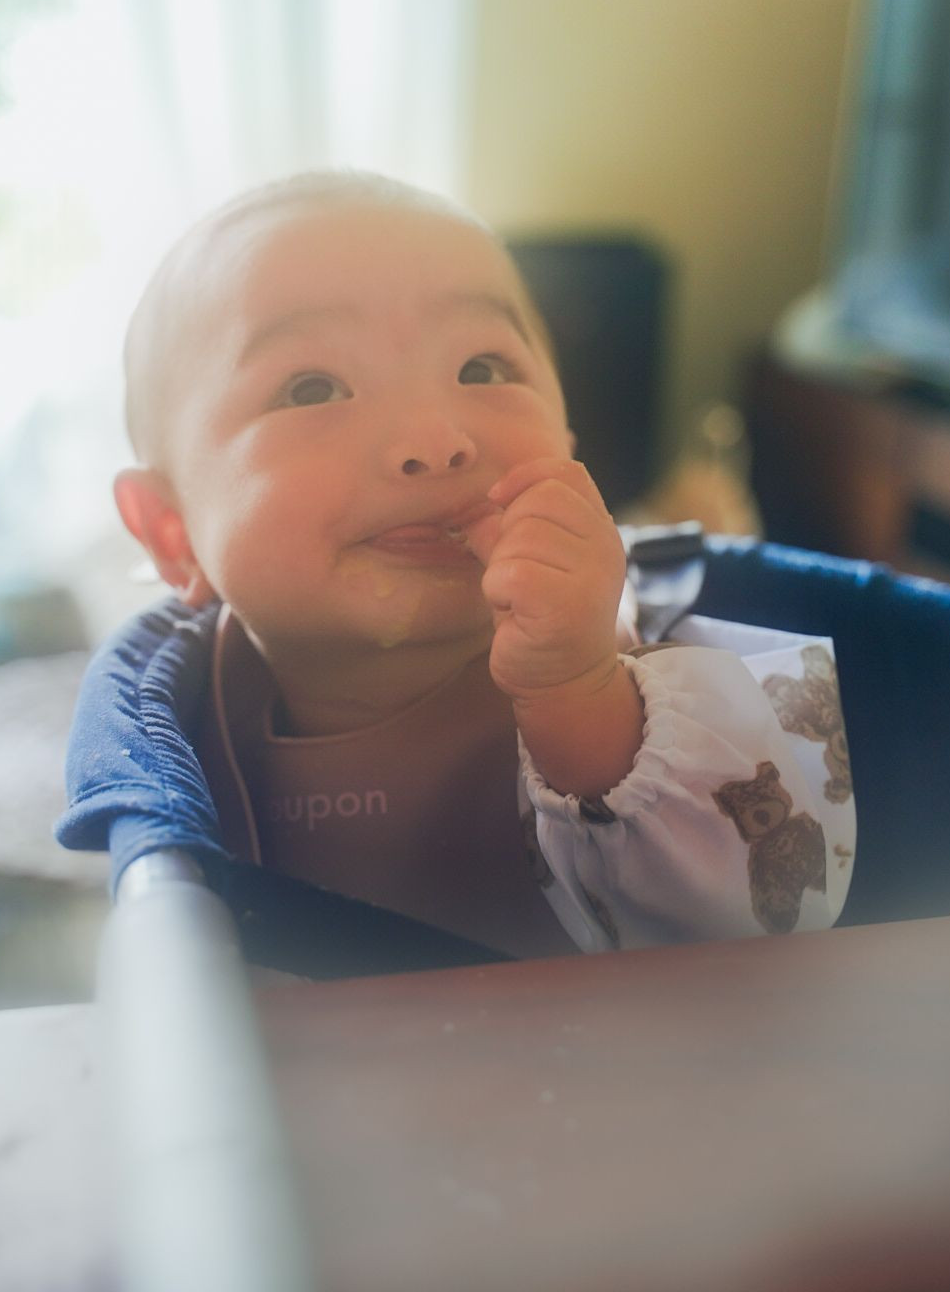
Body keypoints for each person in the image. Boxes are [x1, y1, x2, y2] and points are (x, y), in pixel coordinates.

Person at [59, 170, 855, 960]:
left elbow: (769, 925)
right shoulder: (175, 723)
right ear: (172, 533)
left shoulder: (649, 668)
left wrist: (581, 693)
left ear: (568, 445)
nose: (435, 441)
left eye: (483, 369)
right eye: (312, 387)